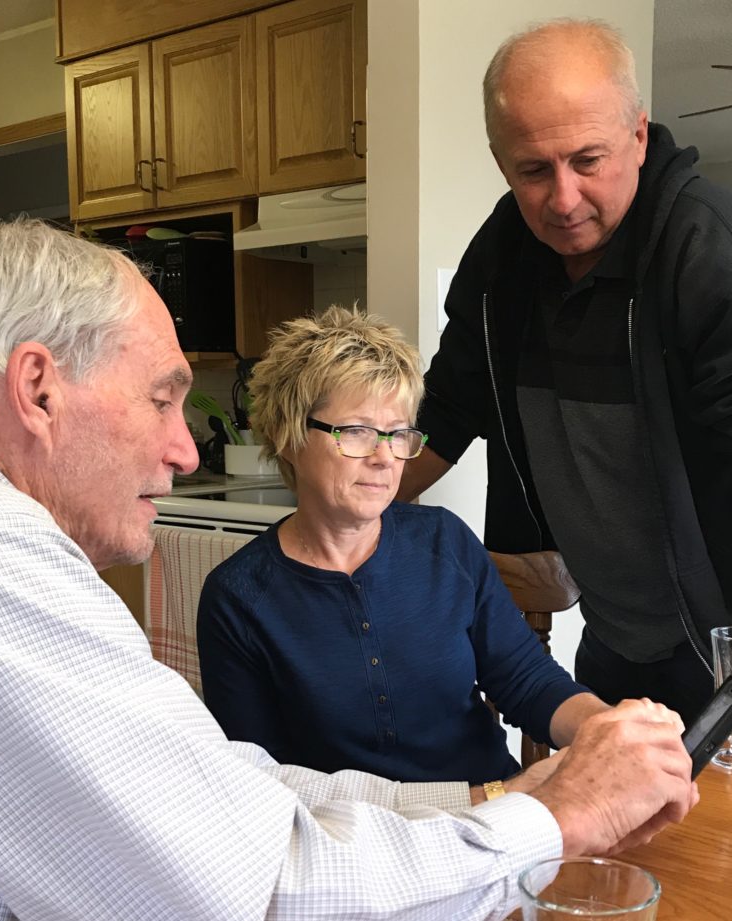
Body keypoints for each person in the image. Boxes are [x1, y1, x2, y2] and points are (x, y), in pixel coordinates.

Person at [0, 220, 697, 921]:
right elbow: (253, 886)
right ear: (37, 389)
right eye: (161, 398)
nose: (185, 449)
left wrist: (507, 799)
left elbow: (236, 787)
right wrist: (554, 816)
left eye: (397, 433)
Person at [399, 18, 732, 755]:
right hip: (612, 635)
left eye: (587, 160)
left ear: (638, 135)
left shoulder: (721, 254)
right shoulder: (503, 256)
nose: (563, 198)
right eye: (532, 170)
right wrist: (342, 512)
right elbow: (446, 410)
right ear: (500, 160)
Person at [197, 306, 609, 786]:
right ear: (288, 437)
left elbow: (526, 680)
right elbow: (258, 781)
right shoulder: (238, 598)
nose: (384, 458)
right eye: (356, 431)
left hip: (495, 809)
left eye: (397, 434)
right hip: (357, 828)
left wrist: (604, 728)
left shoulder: (444, 541)